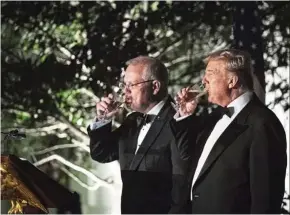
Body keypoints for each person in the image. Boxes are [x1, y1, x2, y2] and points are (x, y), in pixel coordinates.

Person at [174, 49, 287, 213]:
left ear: (232, 81)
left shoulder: (262, 123)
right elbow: (186, 156)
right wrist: (185, 114)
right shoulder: (214, 117)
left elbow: (266, 198)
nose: (203, 81)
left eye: (210, 74)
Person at [87, 56, 190, 214]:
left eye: (131, 85)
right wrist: (103, 119)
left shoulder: (179, 122)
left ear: (155, 86)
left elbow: (182, 187)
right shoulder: (132, 121)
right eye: (124, 85)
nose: (125, 91)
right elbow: (102, 154)